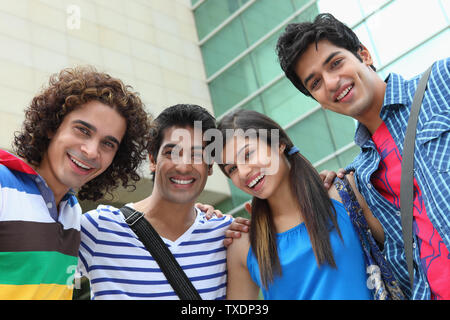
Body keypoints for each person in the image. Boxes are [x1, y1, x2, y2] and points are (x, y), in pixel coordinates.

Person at [275, 13, 450, 299]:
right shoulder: (358, 178)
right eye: (315, 83)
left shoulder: (441, 84)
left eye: (335, 63)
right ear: (318, 101)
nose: (332, 82)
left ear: (364, 55)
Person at [0, 66, 152, 299]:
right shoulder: (3, 184)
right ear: (52, 126)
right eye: (82, 130)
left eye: (108, 144)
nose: (91, 151)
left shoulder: (72, 212)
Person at [218, 109, 382, 300]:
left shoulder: (345, 194)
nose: (244, 172)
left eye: (248, 154)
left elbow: (404, 254)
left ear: (279, 144)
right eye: (233, 169)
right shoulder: (242, 244)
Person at [77, 104, 233, 300]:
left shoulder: (227, 236)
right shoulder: (99, 228)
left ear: (210, 167)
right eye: (171, 152)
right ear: (152, 159)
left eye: (197, 155)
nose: (183, 167)